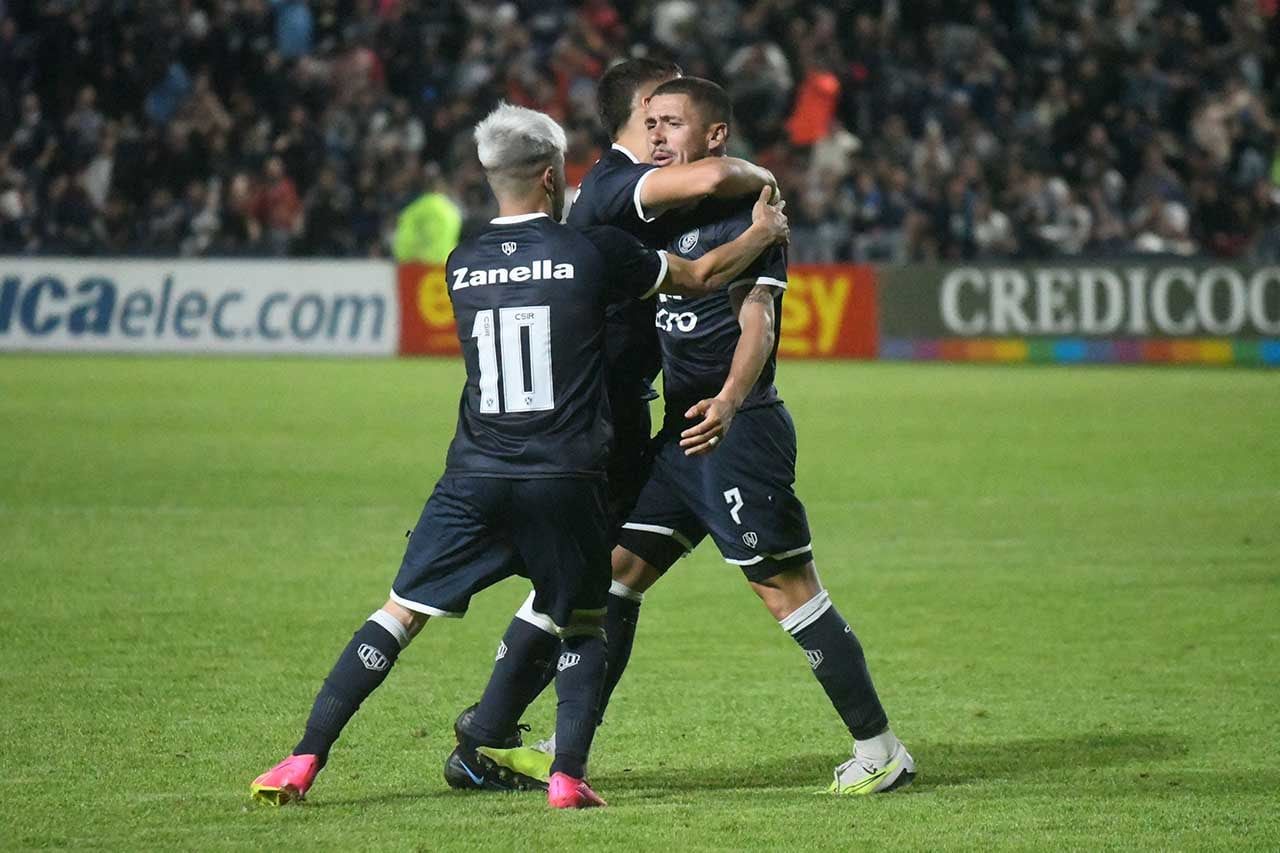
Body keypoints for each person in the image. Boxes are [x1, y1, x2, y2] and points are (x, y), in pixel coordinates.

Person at [248, 102, 789, 810]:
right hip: (564, 476)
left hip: (474, 474)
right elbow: (699, 277)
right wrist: (760, 234)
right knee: (585, 622)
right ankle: (567, 775)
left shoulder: (461, 263)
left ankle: (301, 759)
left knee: (399, 614)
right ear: (552, 176)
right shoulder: (591, 251)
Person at [461, 78, 915, 796]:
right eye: (652, 124)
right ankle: (565, 743)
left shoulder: (746, 213)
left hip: (736, 432)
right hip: (678, 437)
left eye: (673, 123)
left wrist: (730, 400)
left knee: (785, 588)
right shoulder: (660, 213)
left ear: (714, 138)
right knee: (615, 575)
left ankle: (880, 747)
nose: (658, 135)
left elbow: (758, 318)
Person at [444, 58, 784, 790]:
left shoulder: (622, 184)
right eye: (660, 109)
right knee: (581, 581)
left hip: (606, 407)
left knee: (608, 577)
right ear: (641, 109)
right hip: (597, 414)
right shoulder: (617, 182)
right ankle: (487, 735)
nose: (668, 121)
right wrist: (765, 184)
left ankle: (495, 731)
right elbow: (715, 180)